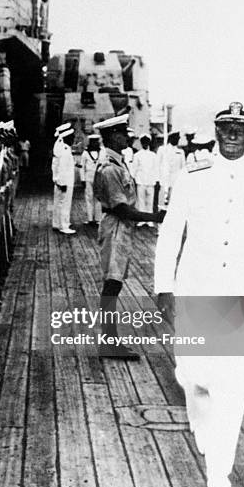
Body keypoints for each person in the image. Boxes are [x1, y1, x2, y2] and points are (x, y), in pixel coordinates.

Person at [155, 102, 244, 487]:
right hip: (196, 289)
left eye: (239, 129)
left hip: (241, 298)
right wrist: (164, 286)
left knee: (233, 385)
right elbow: (170, 232)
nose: (232, 134)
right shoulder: (192, 177)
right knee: (194, 377)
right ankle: (202, 421)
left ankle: (219, 471)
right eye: (226, 127)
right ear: (216, 131)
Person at [92, 115, 165, 360]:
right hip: (116, 227)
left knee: (115, 282)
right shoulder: (110, 168)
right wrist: (155, 217)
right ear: (113, 136)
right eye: (123, 133)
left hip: (122, 228)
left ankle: (109, 339)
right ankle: (108, 341)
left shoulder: (118, 163)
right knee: (112, 283)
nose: (128, 137)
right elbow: (121, 208)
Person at [51, 123, 76, 235]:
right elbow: (61, 167)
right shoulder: (65, 149)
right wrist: (62, 182)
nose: (73, 139)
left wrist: (57, 179)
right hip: (65, 181)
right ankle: (63, 225)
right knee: (64, 203)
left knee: (58, 203)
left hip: (60, 180)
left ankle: (57, 223)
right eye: (71, 137)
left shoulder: (60, 147)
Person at [132, 134, 158, 227]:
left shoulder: (153, 155)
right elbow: (134, 168)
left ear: (149, 142)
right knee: (141, 201)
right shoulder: (137, 155)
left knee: (150, 202)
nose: (145, 143)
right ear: (141, 143)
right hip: (141, 180)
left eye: (146, 142)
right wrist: (133, 178)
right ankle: (142, 220)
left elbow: (156, 168)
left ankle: (149, 220)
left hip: (151, 181)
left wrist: (156, 179)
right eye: (143, 142)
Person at [80, 134, 104, 226]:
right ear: (90, 142)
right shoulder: (85, 153)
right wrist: (82, 179)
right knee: (89, 197)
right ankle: (90, 218)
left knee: (98, 198)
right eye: (93, 142)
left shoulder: (102, 152)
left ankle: (98, 218)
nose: (94, 144)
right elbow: (82, 167)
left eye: (96, 142)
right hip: (88, 177)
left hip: (99, 177)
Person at [157, 130, 186, 206]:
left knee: (174, 201)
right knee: (162, 202)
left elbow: (183, 167)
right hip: (164, 179)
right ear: (171, 138)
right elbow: (157, 164)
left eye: (178, 138)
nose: (177, 140)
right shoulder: (162, 149)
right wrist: (157, 178)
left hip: (175, 179)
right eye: (176, 138)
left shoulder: (180, 151)